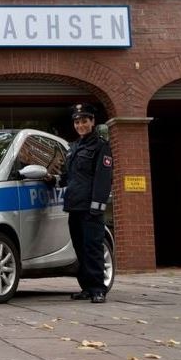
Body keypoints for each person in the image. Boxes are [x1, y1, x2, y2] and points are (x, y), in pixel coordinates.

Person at [49, 103, 113, 304]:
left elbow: (103, 179)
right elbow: (70, 177)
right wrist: (54, 180)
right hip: (74, 206)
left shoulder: (101, 146)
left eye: (84, 121)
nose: (80, 125)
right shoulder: (74, 148)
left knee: (92, 247)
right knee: (80, 248)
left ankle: (98, 289)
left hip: (90, 208)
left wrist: (98, 206)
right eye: (77, 122)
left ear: (92, 122)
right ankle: (86, 287)